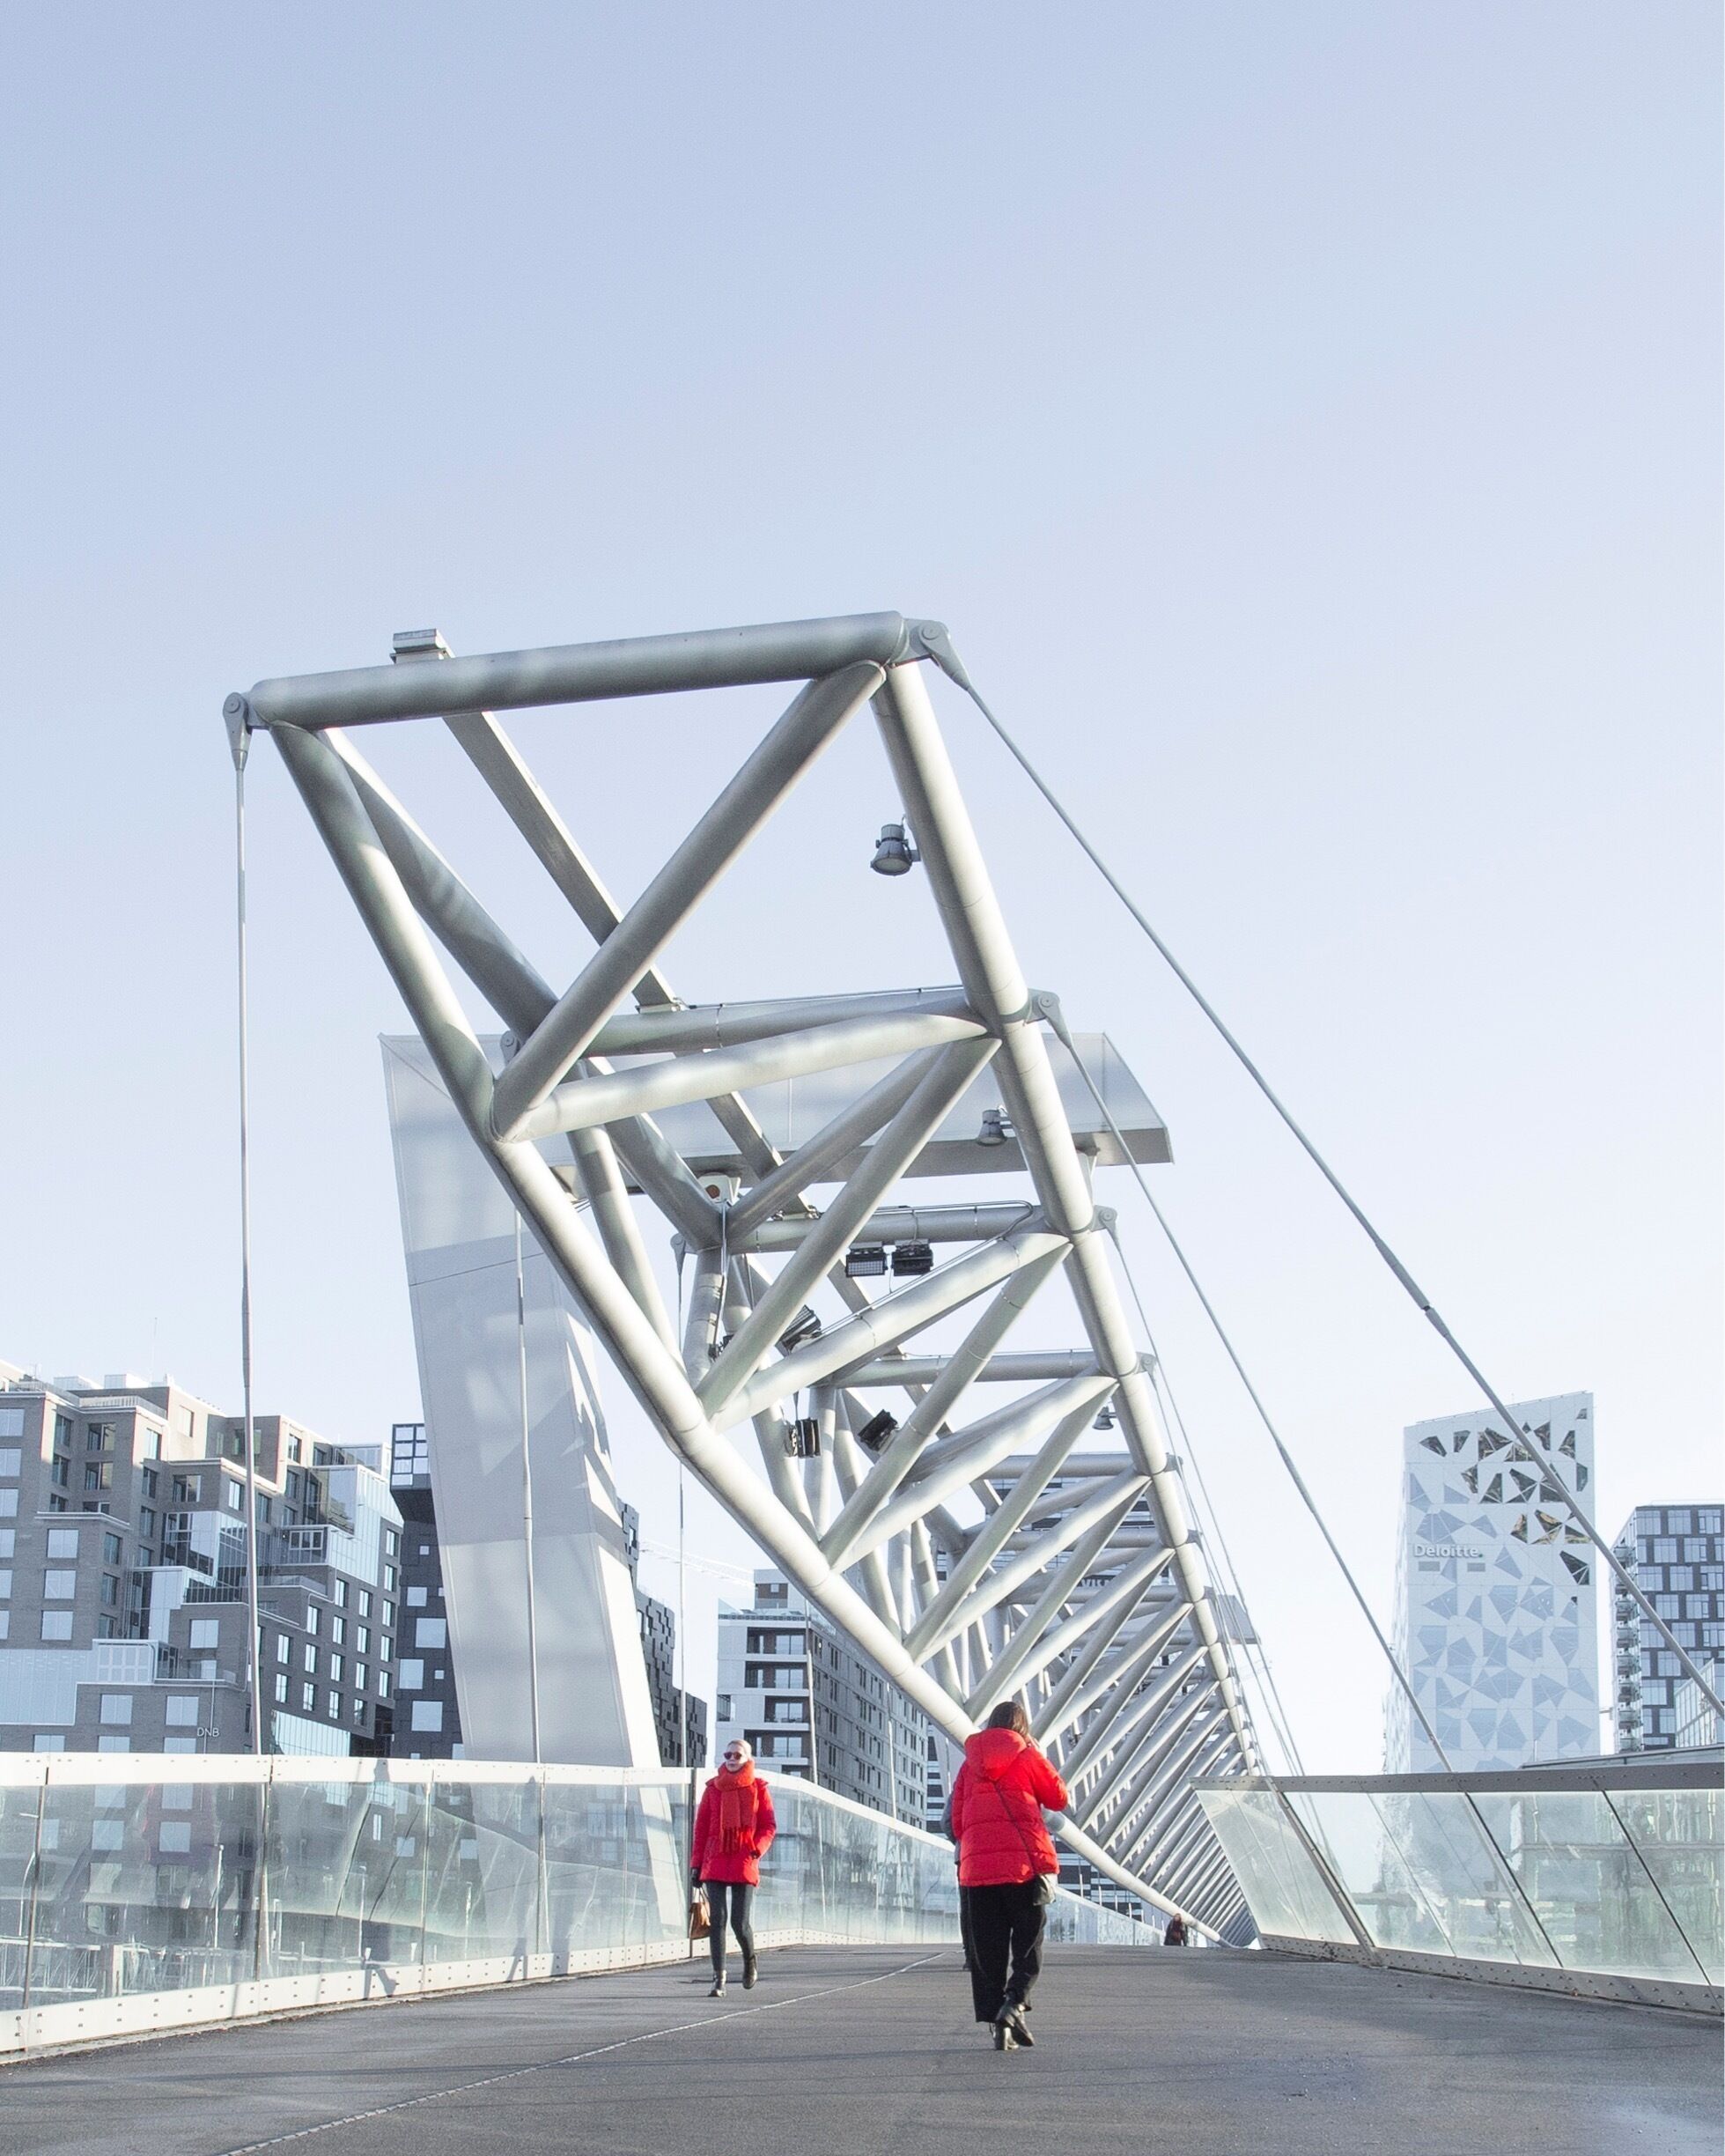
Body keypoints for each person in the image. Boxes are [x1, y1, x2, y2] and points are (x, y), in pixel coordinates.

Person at [948, 1700, 1069, 2052]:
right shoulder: (1028, 1755)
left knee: (989, 1950)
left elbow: (957, 1822)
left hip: (977, 1871)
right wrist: (1036, 1754)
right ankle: (1015, 2002)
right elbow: (1059, 1798)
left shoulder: (969, 1765)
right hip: (1023, 1867)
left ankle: (999, 2022)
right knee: (1029, 1942)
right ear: (1023, 1727)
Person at [690, 1737, 776, 1997]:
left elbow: (768, 1826)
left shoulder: (759, 1789)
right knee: (718, 1920)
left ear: (748, 1759)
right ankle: (719, 1979)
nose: (731, 1759)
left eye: (737, 1755)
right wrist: (696, 1866)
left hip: (744, 1858)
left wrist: (756, 1849)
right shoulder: (712, 1789)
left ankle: (750, 1962)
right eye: (727, 1755)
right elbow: (701, 1829)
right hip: (715, 1858)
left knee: (740, 1923)